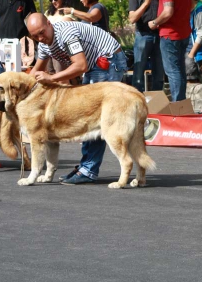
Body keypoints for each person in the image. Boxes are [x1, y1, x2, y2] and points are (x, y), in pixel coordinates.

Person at [26, 13, 128, 184]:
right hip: (93, 64)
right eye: (35, 36)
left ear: (49, 24)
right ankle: (85, 166)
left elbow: (81, 65)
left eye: (42, 32)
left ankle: (88, 169)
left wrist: (51, 78)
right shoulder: (44, 44)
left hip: (107, 59)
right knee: (86, 114)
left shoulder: (65, 34)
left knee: (95, 114)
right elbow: (33, 75)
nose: (40, 38)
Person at [147, 0, 191, 102]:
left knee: (173, 72)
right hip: (183, 32)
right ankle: (182, 105)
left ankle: (178, 108)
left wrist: (155, 23)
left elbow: (168, 11)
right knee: (179, 71)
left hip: (170, 34)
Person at [128, 0, 164, 92]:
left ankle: (157, 102)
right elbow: (132, 19)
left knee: (159, 72)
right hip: (142, 37)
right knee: (138, 73)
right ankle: (138, 98)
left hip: (159, 37)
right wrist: (145, 3)